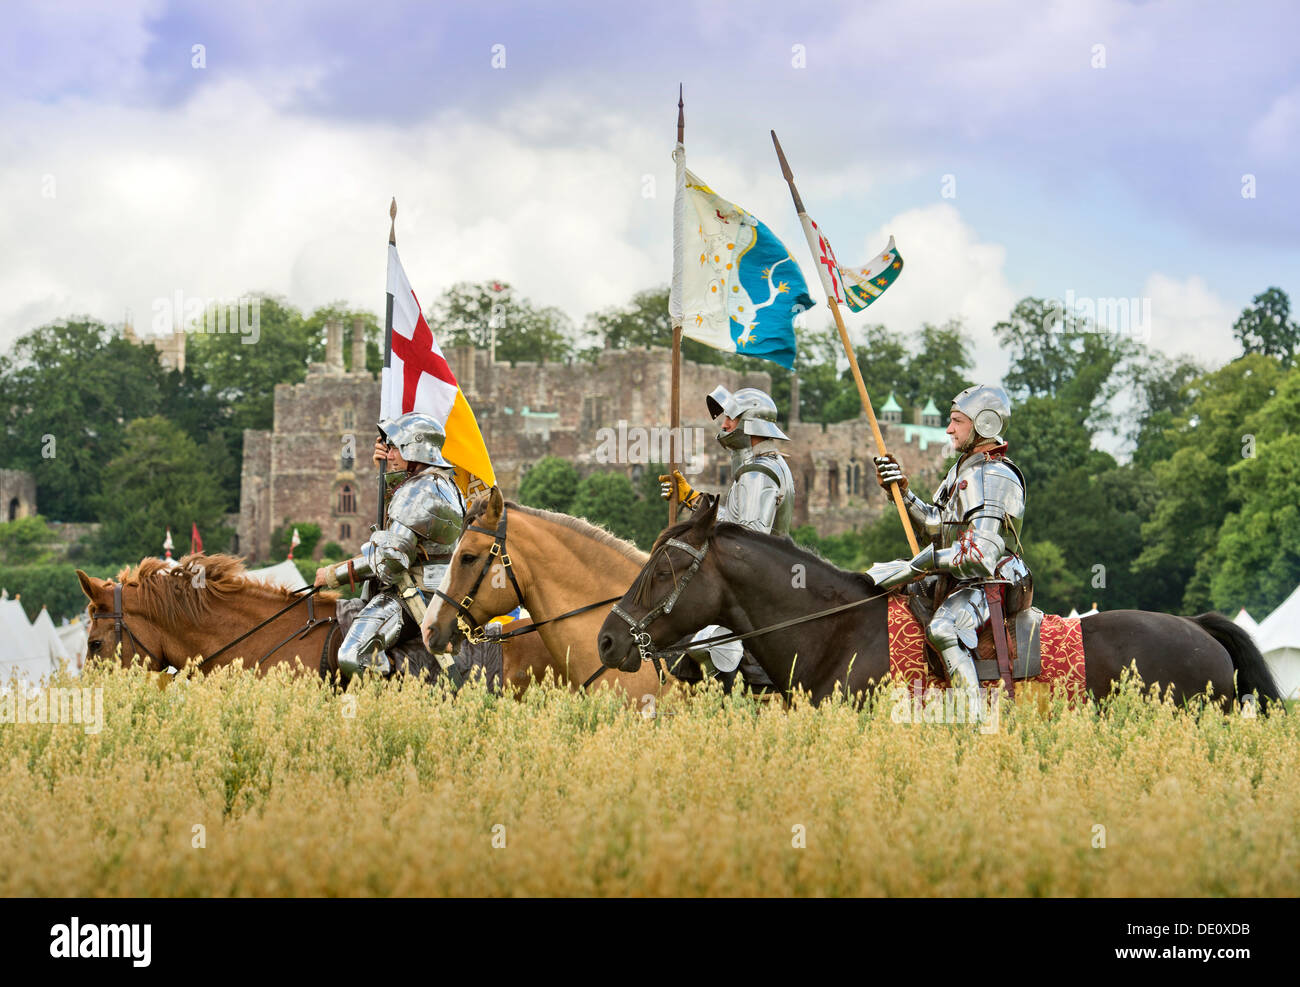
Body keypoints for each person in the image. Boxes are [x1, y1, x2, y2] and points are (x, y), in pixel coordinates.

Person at [868, 385, 1029, 718]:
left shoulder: (994, 474)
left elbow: (980, 555)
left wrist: (916, 566)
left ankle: (975, 720)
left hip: (991, 579)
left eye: (957, 421)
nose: (948, 429)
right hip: (957, 577)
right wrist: (902, 492)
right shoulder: (964, 469)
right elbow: (936, 525)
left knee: (945, 628)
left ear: (983, 423)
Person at [659, 386, 795, 691]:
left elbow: (744, 543)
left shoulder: (759, 474)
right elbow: (733, 520)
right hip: (758, 579)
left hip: (754, 588)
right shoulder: (757, 468)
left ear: (750, 422)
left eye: (731, 418)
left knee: (686, 625)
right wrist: (692, 499)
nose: (723, 425)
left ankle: (729, 694)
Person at [314, 412, 465, 678]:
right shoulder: (438, 483)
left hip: (415, 594)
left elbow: (390, 562)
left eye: (394, 447)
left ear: (414, 449)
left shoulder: (419, 490)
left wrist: (333, 574)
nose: (387, 452)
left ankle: (388, 707)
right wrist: (384, 472)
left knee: (353, 655)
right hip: (431, 588)